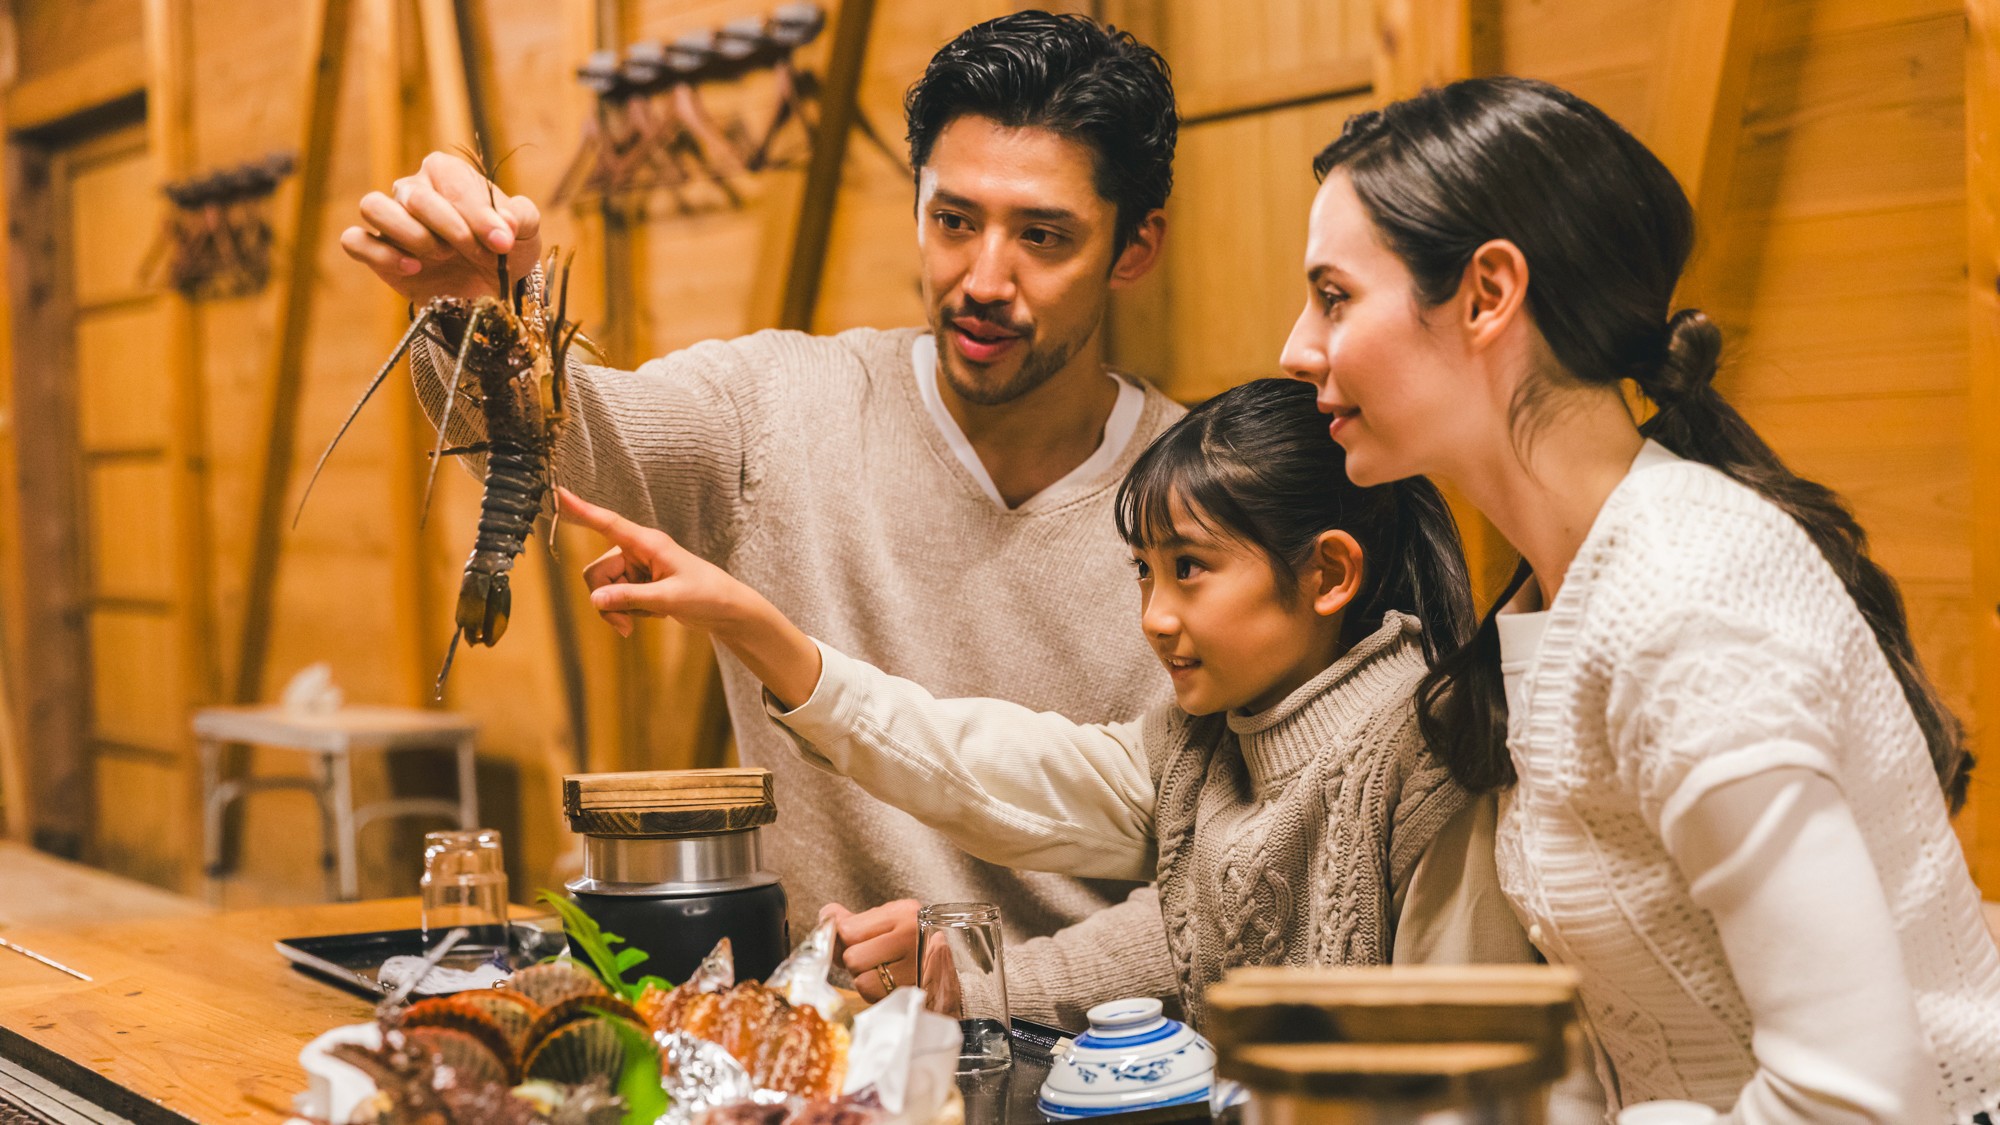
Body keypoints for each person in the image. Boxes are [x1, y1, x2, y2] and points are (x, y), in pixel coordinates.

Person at [339, 11, 1188, 1025]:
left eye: (1041, 236)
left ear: (1133, 248)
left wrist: (986, 975)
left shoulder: (1202, 509)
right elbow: (582, 440)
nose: (982, 279)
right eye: (952, 221)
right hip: (807, 1047)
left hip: (1096, 1061)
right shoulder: (776, 402)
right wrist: (474, 309)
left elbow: (1215, 890)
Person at [1280, 76, 2000, 1121]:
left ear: (1486, 295)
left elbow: (1855, 1102)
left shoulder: (1683, 599)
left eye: (1333, 296)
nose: (1297, 348)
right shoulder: (1560, 591)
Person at [556, 377, 1537, 1026]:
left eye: (1189, 571)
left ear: (1326, 574)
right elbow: (1005, 779)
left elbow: (1471, 1056)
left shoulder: (1427, 754)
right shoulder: (1204, 743)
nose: (1153, 617)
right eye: (1143, 575)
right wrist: (961, 987)